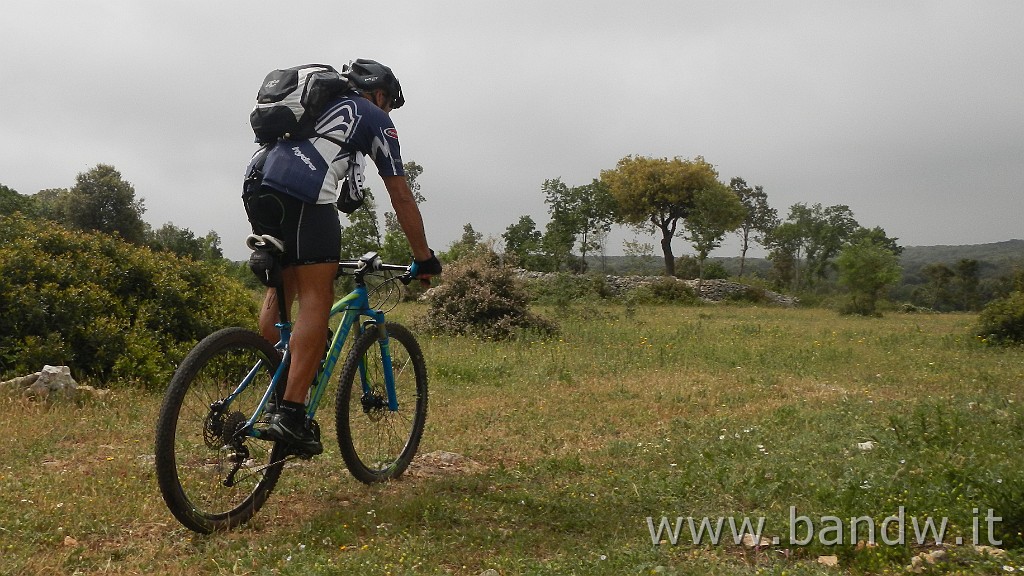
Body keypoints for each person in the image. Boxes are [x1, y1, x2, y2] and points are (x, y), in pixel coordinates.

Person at [243, 59, 441, 456]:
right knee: (319, 293)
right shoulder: (371, 115)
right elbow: (400, 194)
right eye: (389, 104)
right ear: (381, 94)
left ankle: (270, 379)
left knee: (286, 284)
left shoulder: (316, 108)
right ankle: (292, 414)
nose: (388, 112)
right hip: (303, 193)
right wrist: (424, 256)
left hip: (256, 182)